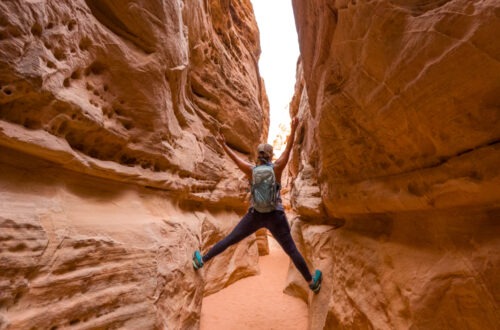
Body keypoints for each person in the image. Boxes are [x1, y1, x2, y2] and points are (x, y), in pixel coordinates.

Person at [192, 117, 322, 294]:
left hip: (255, 215)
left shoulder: (251, 170)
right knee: (291, 250)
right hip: (276, 216)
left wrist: (223, 145)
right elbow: (288, 150)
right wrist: (294, 129)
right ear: (270, 155)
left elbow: (236, 160)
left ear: (258, 155)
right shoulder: (276, 169)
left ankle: (202, 260)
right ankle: (311, 282)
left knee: (230, 239)